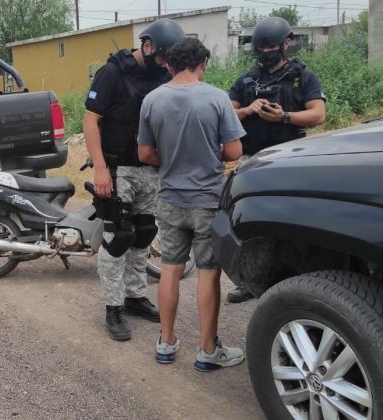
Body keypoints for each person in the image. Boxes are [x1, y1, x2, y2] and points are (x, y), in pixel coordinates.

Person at [138, 38, 246, 370]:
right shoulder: (216, 98)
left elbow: (144, 154)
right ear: (203, 64)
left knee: (170, 269)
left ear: (169, 65)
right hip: (208, 201)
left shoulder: (152, 100)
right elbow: (234, 152)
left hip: (170, 199)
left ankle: (167, 343)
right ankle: (208, 351)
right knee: (208, 273)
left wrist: (169, 160)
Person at [83, 18, 186, 341]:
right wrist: (100, 168)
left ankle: (133, 296)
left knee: (143, 233)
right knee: (119, 237)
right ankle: (113, 307)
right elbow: (90, 121)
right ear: (147, 45)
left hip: (149, 169)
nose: (166, 65)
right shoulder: (112, 72)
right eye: (163, 58)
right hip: (117, 169)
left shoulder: (162, 75)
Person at [226, 16, 327, 303]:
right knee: (251, 222)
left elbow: (318, 114)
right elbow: (225, 113)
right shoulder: (246, 79)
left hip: (292, 161)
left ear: (286, 44)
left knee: (292, 221)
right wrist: (247, 110)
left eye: (271, 46)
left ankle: (294, 281)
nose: (266, 52)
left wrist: (284, 116)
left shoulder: (303, 76)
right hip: (253, 160)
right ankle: (249, 281)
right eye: (262, 47)